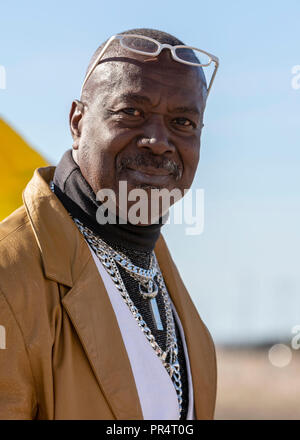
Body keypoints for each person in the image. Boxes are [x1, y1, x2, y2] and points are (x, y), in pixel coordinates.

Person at [0, 28, 218, 420]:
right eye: (131, 112)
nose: (158, 140)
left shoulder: (169, 291)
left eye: (182, 121)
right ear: (78, 122)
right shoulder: (9, 277)